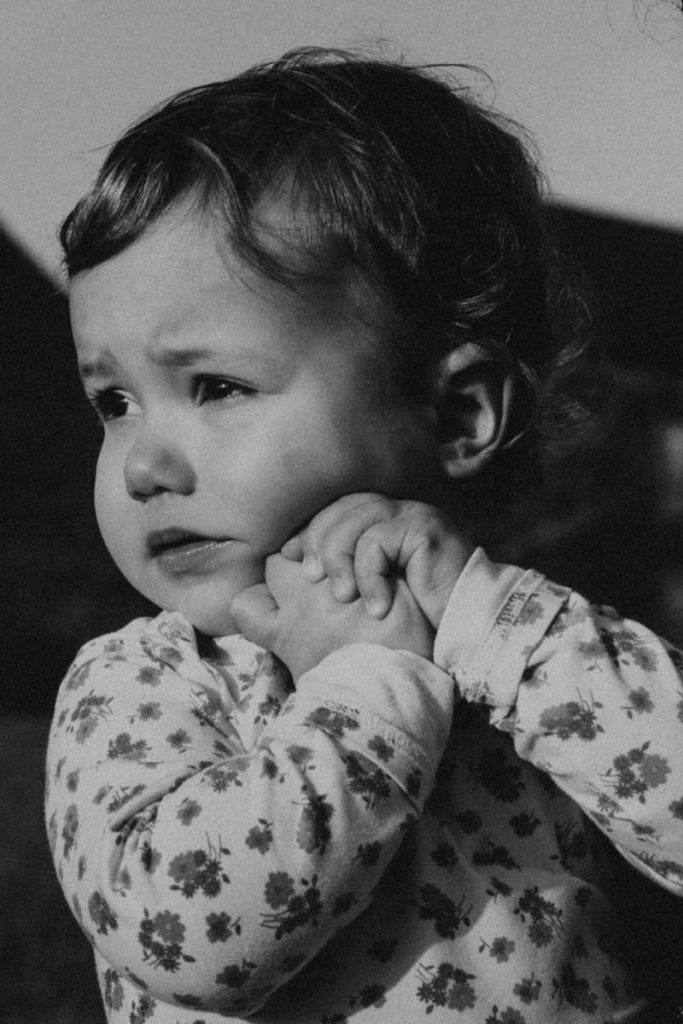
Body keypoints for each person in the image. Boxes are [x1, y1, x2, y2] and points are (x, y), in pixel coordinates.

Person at [44, 48, 683, 1024]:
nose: (141, 463)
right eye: (114, 401)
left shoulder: (524, 656)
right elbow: (191, 930)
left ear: (458, 414)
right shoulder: (144, 681)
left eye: (215, 385)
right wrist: (365, 687)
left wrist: (489, 616)